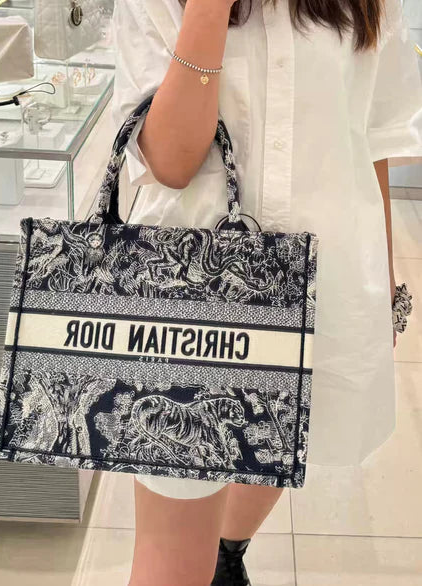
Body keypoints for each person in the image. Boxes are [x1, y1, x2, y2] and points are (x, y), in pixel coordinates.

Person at [109, 0, 422, 584]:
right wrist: (208, 10)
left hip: (322, 281)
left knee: (280, 440)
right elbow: (171, 163)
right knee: (171, 567)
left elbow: (373, 138)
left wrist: (383, 288)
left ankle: (228, 555)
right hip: (188, 304)